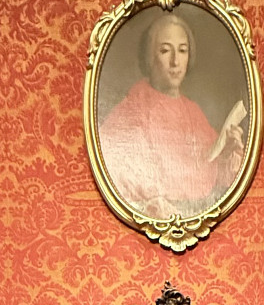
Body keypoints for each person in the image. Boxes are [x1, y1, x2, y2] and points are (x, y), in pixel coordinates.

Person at [98, 11, 246, 219]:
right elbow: (115, 172)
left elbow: (213, 175)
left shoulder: (193, 112)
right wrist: (151, 204)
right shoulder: (132, 109)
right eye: (165, 50)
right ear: (150, 57)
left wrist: (226, 152)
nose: (175, 61)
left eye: (182, 50)